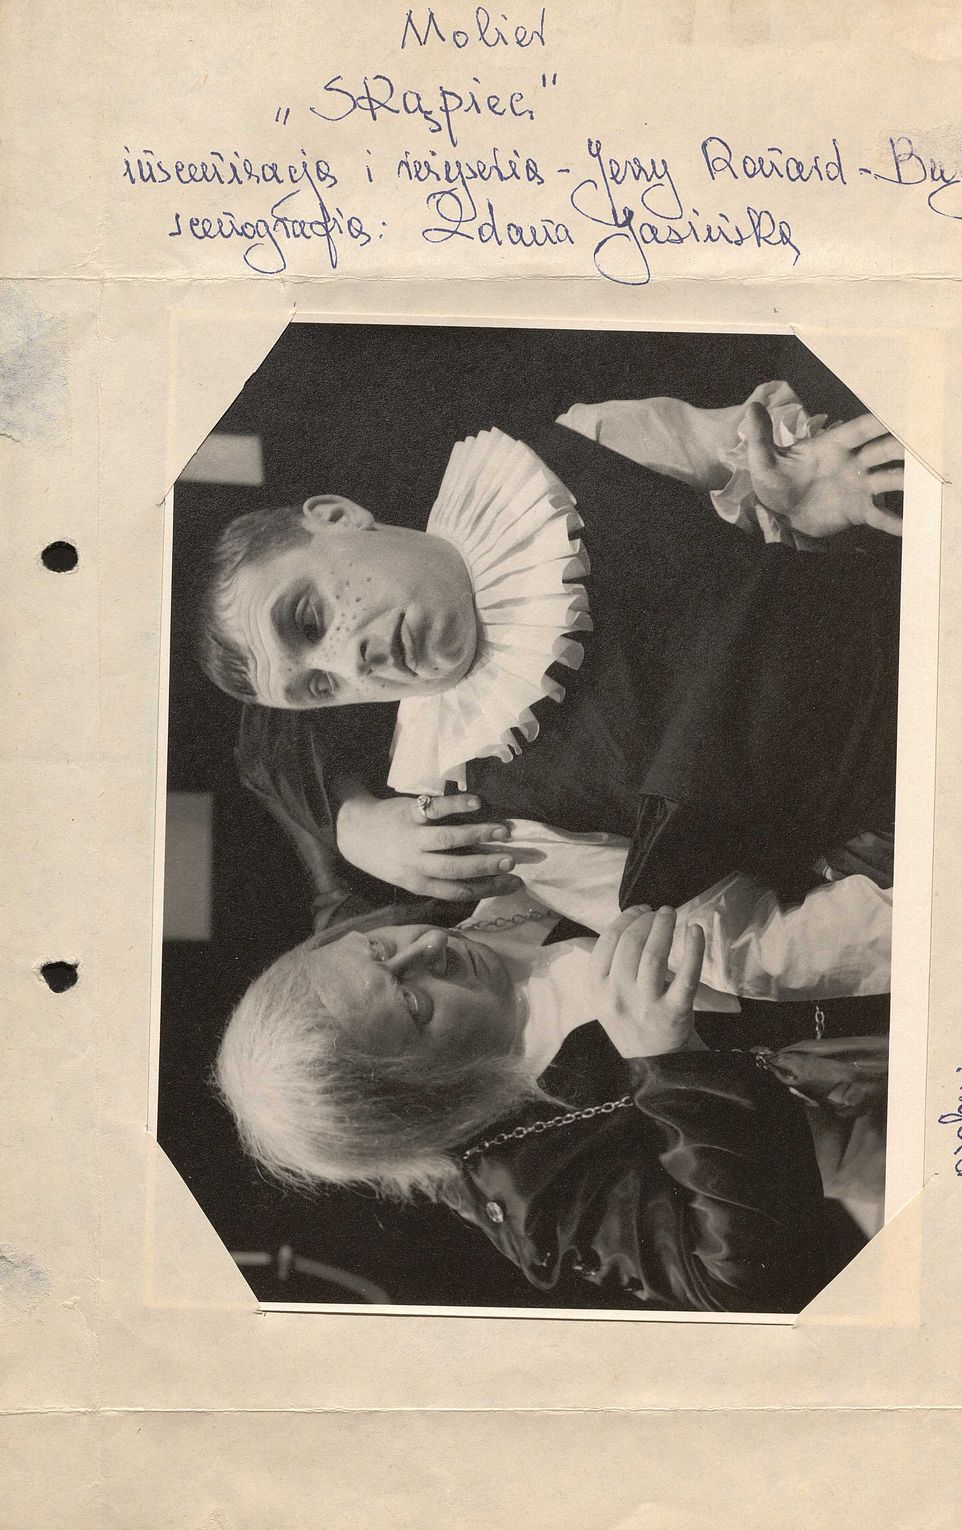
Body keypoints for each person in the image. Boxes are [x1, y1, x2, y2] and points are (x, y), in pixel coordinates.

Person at [199, 384, 905, 915]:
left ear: (337, 516)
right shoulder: (486, 813)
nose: (349, 664)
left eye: (308, 619)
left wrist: (796, 504)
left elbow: (778, 465)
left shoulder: (584, 445)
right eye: (321, 688)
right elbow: (715, 930)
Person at [216, 899, 885, 1313]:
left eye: (380, 946)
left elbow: (277, 756)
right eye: (415, 1005)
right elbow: (740, 1284)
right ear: (426, 1098)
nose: (432, 948)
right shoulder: (530, 1189)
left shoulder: (433, 909)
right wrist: (672, 1062)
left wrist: (363, 821)